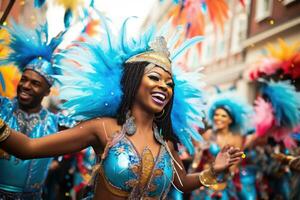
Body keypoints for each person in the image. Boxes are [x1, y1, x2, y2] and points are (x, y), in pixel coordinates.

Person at [0, 17, 243, 199]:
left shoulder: (166, 144)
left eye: (169, 84)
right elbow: (28, 148)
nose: (164, 87)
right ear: (134, 82)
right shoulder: (104, 129)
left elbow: (180, 183)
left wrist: (213, 170)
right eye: (155, 78)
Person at [0, 22, 75, 199]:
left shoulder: (56, 123)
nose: (25, 86)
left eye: (35, 83)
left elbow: (89, 126)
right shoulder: (2, 107)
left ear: (47, 91)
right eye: (24, 79)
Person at [191, 92, 257, 200]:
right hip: (208, 179)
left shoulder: (237, 137)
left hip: (225, 181)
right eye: (216, 114)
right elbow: (198, 151)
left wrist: (228, 173)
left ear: (230, 120)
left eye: (223, 115)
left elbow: (238, 160)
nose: (218, 118)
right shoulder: (208, 134)